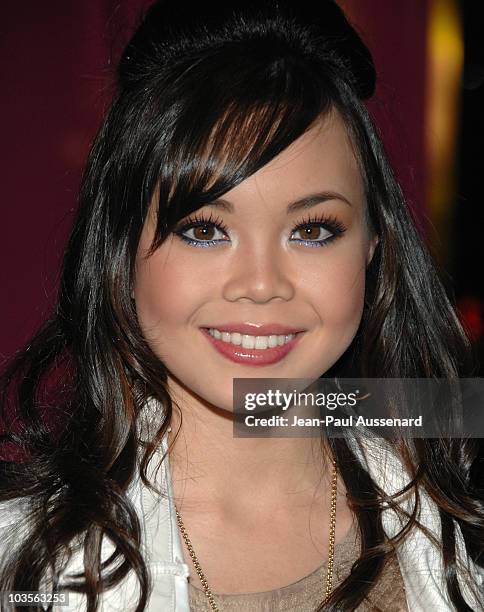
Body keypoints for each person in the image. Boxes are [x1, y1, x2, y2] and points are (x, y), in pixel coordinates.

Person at [0, 1, 483, 610]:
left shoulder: (456, 516)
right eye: (204, 229)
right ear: (120, 250)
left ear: (373, 247)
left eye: (312, 230)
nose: (260, 283)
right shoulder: (25, 564)